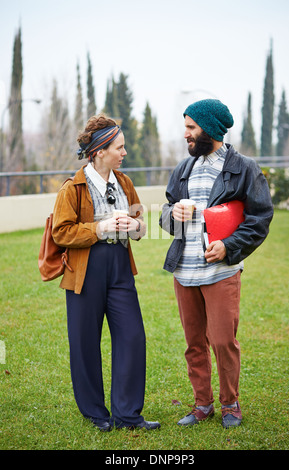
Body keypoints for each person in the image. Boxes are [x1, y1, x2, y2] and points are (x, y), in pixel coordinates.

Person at [160, 99, 273, 428]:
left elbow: (260, 219)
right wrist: (173, 215)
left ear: (210, 129)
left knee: (223, 341)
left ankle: (230, 404)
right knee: (194, 343)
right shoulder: (183, 169)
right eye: (186, 128)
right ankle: (202, 404)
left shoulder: (245, 168)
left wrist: (228, 246)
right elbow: (167, 215)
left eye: (191, 128)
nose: (186, 135)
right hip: (185, 272)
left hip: (222, 273)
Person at [52, 114, 160, 432]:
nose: (124, 153)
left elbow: (141, 226)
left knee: (132, 337)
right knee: (85, 342)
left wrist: (135, 226)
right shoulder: (73, 188)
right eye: (119, 147)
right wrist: (100, 228)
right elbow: (61, 232)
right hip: (85, 270)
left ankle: (128, 414)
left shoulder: (124, 183)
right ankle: (96, 412)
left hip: (120, 268)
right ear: (100, 151)